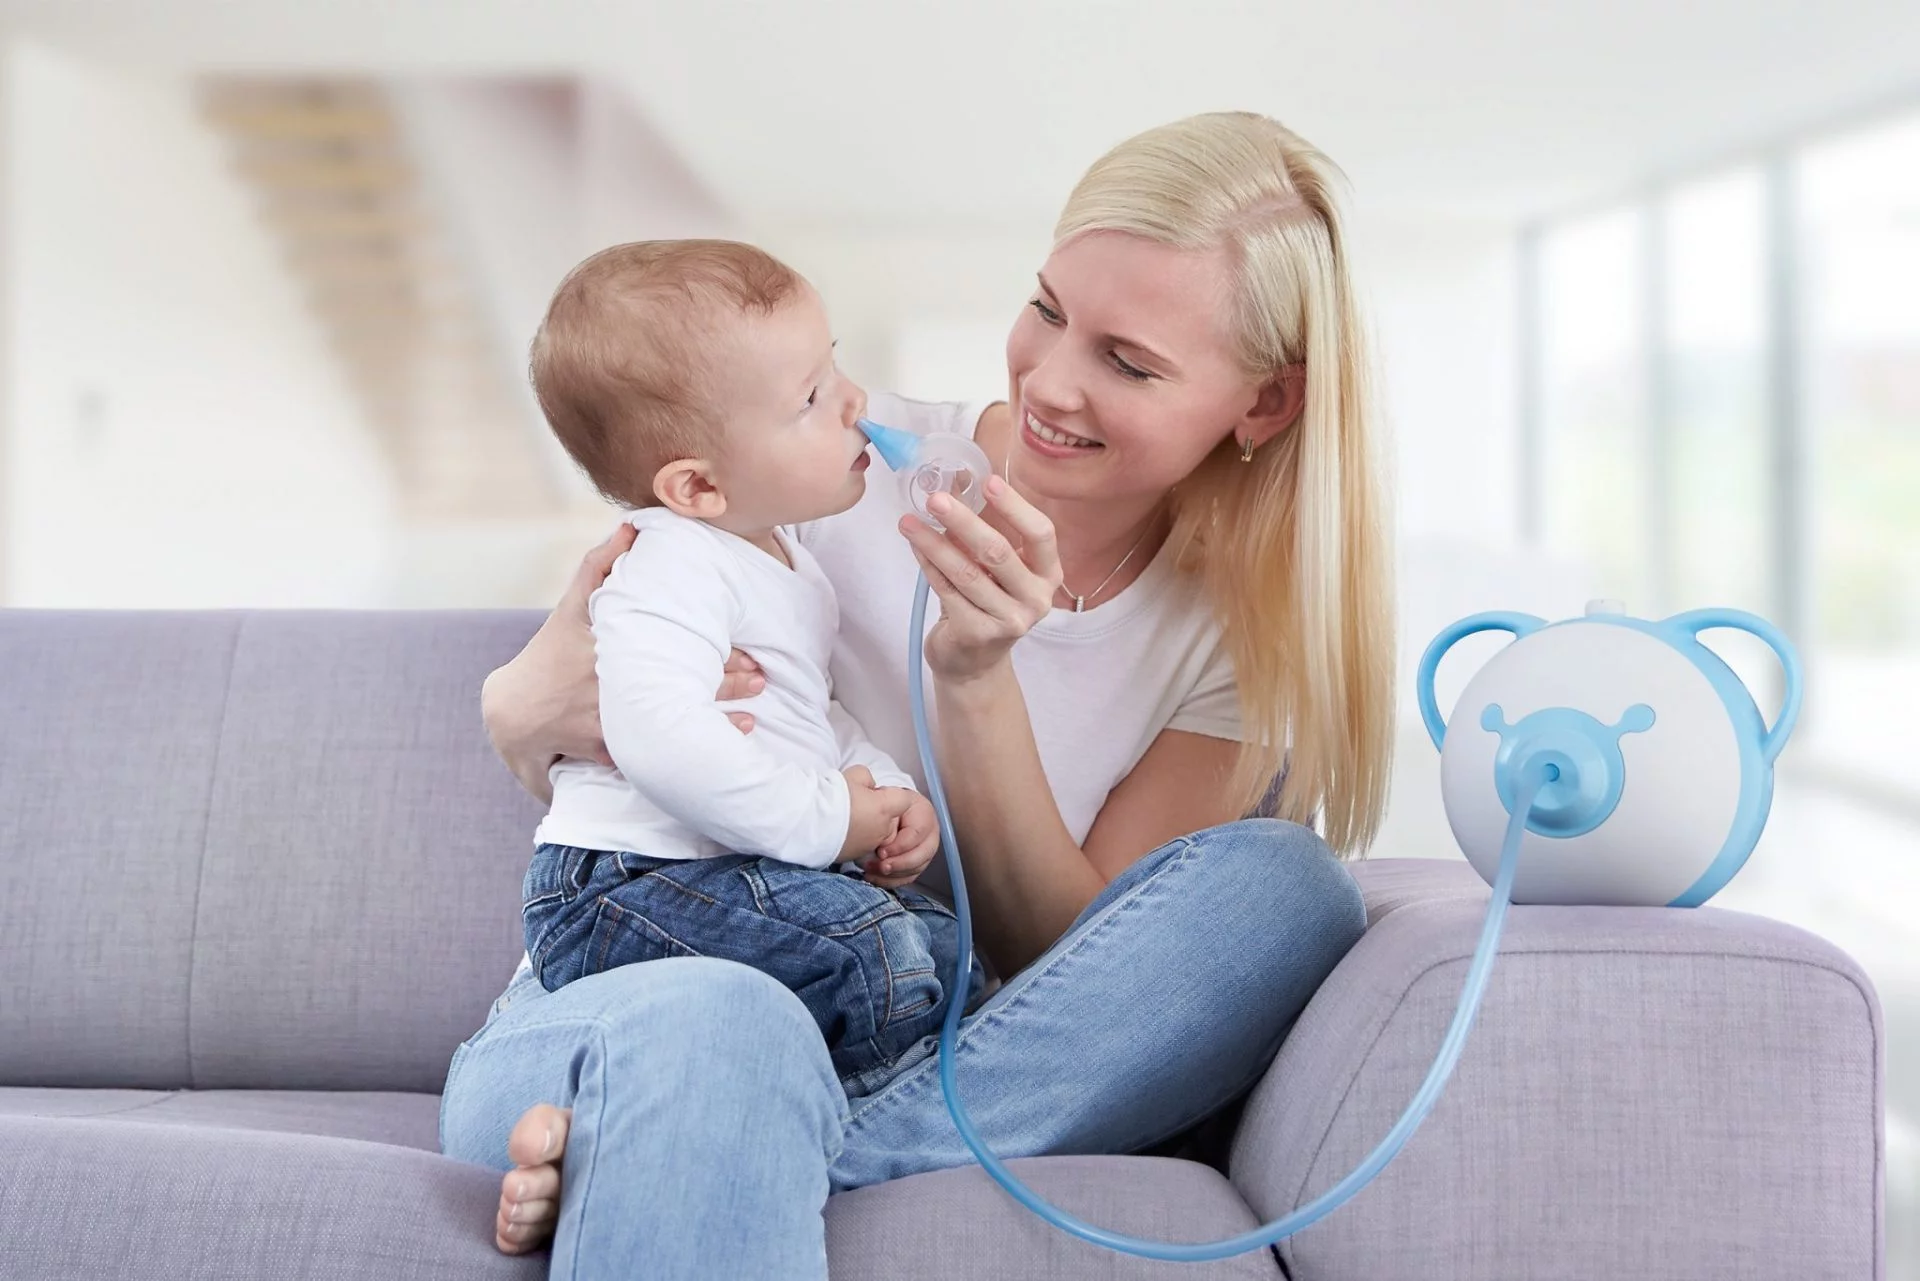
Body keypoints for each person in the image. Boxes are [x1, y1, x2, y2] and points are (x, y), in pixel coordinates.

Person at [439, 110, 1394, 1281]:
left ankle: (715, 1149)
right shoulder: (812, 455)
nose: (1049, 380)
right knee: (728, 1029)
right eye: (1046, 309)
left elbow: (1075, 972)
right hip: (631, 1013)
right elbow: (582, 708)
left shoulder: (1236, 647)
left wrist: (972, 677)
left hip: (918, 1040)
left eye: (1128, 362)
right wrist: (515, 707)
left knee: (1286, 890)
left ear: (1265, 407)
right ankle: (708, 1123)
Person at [517, 239, 983, 1093]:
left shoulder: (786, 564)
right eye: (810, 397)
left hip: (722, 873)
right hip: (625, 887)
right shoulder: (671, 563)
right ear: (697, 489)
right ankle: (870, 1122)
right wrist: (826, 819)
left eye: (835, 364)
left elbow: (808, 715)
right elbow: (656, 735)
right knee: (875, 955)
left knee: (951, 956)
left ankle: (804, 1099)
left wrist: (879, 789)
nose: (854, 400)